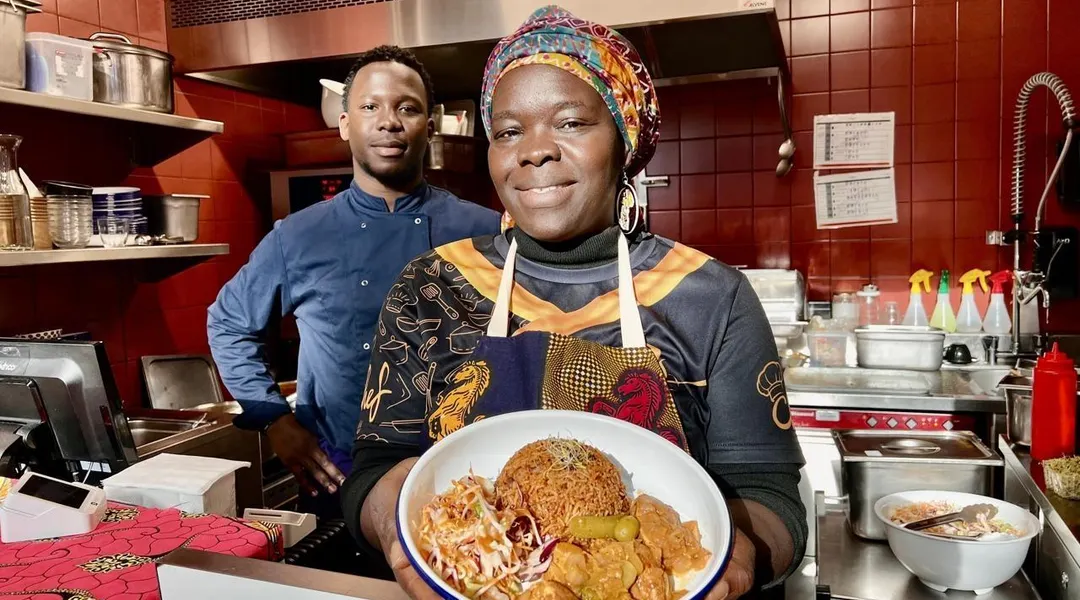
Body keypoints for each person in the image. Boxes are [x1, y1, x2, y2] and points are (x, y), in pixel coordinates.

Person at [341, 8, 806, 599]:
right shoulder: (432, 286)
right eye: (508, 131)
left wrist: (731, 561)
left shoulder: (711, 298)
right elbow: (376, 469)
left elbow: (770, 496)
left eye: (571, 122)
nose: (533, 151)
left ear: (625, 140)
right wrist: (393, 516)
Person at [207, 45, 501, 518]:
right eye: (370, 107)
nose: (389, 121)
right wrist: (274, 419)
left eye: (407, 108)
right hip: (337, 470)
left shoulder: (484, 230)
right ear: (345, 124)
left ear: (429, 127)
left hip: (461, 471)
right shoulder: (299, 235)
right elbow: (227, 323)